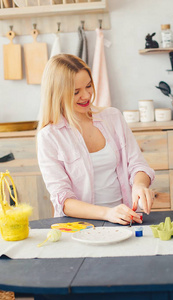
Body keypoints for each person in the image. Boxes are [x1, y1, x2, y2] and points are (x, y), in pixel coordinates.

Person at [37, 54, 155, 225]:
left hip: (124, 220)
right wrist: (107, 213)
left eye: (89, 86)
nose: (86, 96)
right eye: (75, 92)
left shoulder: (113, 117)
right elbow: (63, 200)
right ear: (58, 94)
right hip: (78, 228)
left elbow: (138, 165)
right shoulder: (50, 137)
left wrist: (139, 185)